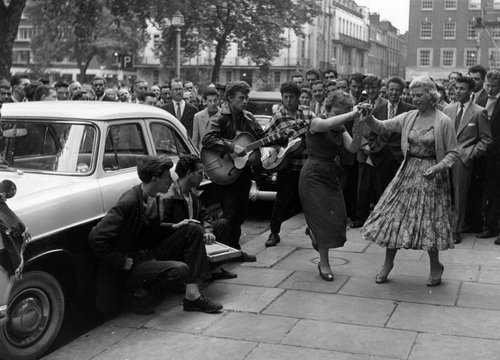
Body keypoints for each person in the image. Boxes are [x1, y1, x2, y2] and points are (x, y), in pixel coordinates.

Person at [88, 155, 222, 314]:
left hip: (148, 255)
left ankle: (192, 296)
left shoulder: (151, 197)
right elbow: (95, 237)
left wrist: (174, 226)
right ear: (154, 180)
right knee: (180, 269)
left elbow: (152, 231)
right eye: (167, 178)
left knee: (192, 229)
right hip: (131, 264)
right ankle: (136, 295)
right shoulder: (129, 201)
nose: (171, 182)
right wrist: (120, 261)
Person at [360, 76, 459, 286]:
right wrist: (367, 116)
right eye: (412, 95)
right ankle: (388, 264)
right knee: (394, 218)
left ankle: (435, 267)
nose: (414, 99)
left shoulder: (443, 121)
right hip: (407, 172)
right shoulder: (408, 117)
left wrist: (438, 167)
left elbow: (453, 153)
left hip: (431, 176)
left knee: (429, 223)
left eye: (419, 95)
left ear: (431, 96)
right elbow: (380, 127)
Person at [202, 81, 271, 262]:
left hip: (243, 172)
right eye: (241, 98)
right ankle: (230, 251)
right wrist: (231, 146)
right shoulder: (219, 118)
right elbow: (208, 139)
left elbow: (263, 138)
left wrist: (279, 137)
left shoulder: (249, 118)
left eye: (247, 97)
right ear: (230, 98)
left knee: (241, 212)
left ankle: (235, 249)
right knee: (230, 213)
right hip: (225, 170)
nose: (245, 101)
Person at [299, 99, 367, 281]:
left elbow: (353, 148)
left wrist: (360, 124)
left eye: (343, 114)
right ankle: (324, 263)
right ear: (327, 109)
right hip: (313, 175)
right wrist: (353, 114)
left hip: (330, 174)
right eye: (336, 113)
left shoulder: (341, 128)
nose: (339, 118)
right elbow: (327, 124)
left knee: (338, 219)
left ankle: (313, 230)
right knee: (323, 221)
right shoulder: (316, 122)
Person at [160, 155, 237, 280]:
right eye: (200, 173)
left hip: (192, 234)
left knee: (222, 224)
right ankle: (195, 278)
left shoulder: (192, 194)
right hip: (176, 242)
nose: (203, 176)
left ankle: (214, 269)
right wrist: (179, 227)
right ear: (189, 173)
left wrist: (207, 231)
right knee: (193, 229)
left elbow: (204, 216)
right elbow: (160, 227)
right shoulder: (169, 196)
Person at [263, 82, 314, 247]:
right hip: (287, 166)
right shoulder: (278, 116)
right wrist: (281, 147)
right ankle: (274, 233)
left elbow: (319, 130)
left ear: (298, 97)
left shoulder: (307, 114)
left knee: (309, 201)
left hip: (306, 165)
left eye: (292, 97)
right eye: (286, 97)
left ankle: (315, 232)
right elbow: (267, 140)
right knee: (281, 201)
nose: (289, 100)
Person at [443, 76, 491, 244]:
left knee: (460, 196)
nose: (457, 91)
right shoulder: (447, 109)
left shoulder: (479, 112)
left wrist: (471, 153)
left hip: (462, 159)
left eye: (462, 88)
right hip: (444, 158)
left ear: (471, 91)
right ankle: (444, 227)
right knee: (443, 194)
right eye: (456, 88)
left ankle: (456, 230)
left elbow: (486, 139)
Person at [368, 76, 416, 201]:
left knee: (399, 192)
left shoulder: (410, 110)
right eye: (391, 89)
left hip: (399, 157)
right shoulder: (377, 109)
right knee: (381, 192)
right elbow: (372, 133)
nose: (394, 93)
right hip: (381, 156)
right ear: (386, 90)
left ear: (402, 91)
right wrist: (374, 147)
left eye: (398, 90)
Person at [351, 75, 387, 228]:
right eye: (369, 88)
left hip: (380, 151)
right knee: (363, 187)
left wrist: (374, 148)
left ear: (379, 88)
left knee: (380, 187)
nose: (371, 91)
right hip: (363, 151)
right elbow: (354, 128)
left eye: (374, 87)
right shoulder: (361, 105)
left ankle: (380, 220)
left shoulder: (386, 105)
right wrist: (364, 145)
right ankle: (361, 218)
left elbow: (385, 129)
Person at [477, 70, 500, 242]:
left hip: (497, 152)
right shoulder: (481, 99)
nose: (490, 89)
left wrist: (492, 145)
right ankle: (489, 226)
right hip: (483, 153)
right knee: (487, 190)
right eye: (488, 85)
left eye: (494, 86)